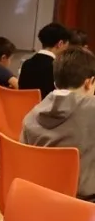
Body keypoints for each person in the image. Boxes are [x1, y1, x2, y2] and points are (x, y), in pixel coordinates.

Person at [21, 46, 95, 201]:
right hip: (82, 203)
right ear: (90, 82)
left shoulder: (30, 117)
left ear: (55, 83)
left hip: (37, 198)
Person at [19, 22, 71, 99]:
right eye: (66, 45)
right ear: (60, 43)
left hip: (24, 106)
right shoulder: (57, 68)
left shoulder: (26, 64)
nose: (66, 49)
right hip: (46, 106)